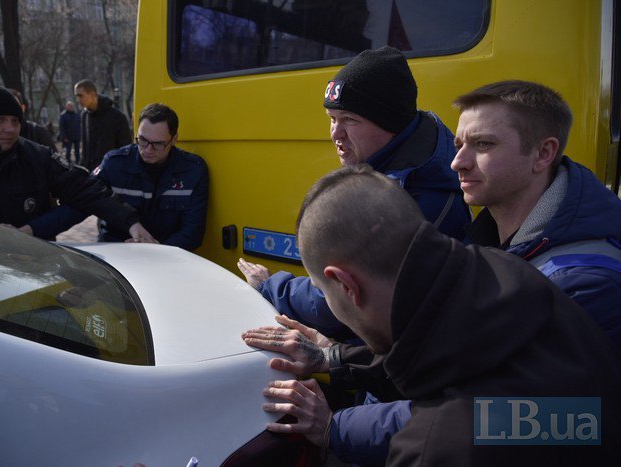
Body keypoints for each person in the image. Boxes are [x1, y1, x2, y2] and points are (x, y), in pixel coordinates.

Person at [243, 165, 621, 466]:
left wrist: (331, 428)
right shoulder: (512, 272)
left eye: (323, 294)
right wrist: (334, 357)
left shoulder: (437, 449)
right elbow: (512, 415)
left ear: (345, 285)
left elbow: (472, 422)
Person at [238, 46, 471, 339]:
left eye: (349, 119)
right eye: (332, 118)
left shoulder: (418, 201)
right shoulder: (403, 170)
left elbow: (340, 303)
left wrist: (268, 286)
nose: (335, 133)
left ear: (391, 124)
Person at [452, 80, 621, 348]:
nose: (458, 162)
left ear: (543, 153)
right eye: (459, 145)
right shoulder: (483, 239)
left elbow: (534, 390)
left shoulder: (585, 286)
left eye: (482, 144)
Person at [0, 83, 155, 243]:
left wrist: (131, 222)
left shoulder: (37, 155)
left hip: (32, 263)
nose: (10, 128)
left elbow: (85, 189)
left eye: (15, 120)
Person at [58, 103, 209, 250]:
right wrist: (37, 229)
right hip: (117, 252)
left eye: (158, 144)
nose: (148, 150)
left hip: (169, 258)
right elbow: (83, 200)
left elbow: (192, 231)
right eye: (142, 140)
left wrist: (157, 251)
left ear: (174, 139)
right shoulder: (114, 164)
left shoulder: (193, 170)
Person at [74, 79, 130, 171]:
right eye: (76, 96)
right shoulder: (84, 115)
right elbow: (85, 149)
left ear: (92, 94)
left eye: (80, 96)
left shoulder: (117, 117)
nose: (78, 100)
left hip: (111, 173)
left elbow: (125, 150)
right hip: (91, 174)